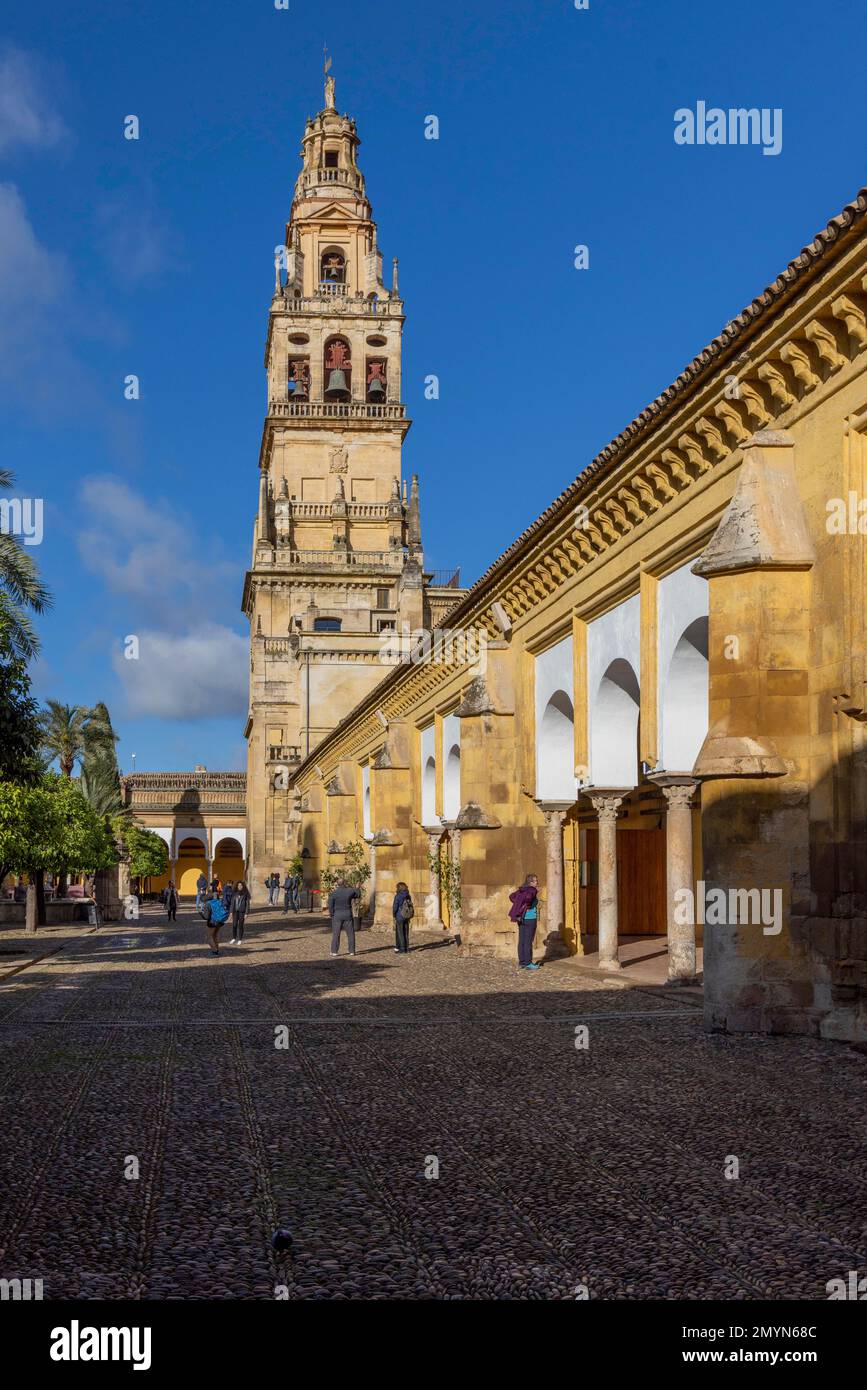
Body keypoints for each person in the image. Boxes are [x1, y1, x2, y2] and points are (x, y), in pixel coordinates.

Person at [509, 873, 540, 971]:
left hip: (521, 918)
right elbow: (529, 899)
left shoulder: (521, 889)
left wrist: (519, 903)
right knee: (528, 941)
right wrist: (527, 904)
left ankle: (522, 962)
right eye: (535, 881)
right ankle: (528, 963)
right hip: (530, 918)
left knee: (522, 940)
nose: (537, 882)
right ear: (530, 882)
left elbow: (511, 896)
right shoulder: (532, 890)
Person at [327, 878, 359, 957]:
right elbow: (357, 895)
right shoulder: (350, 891)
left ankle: (334, 951)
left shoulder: (334, 893)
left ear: (337, 884)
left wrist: (331, 914)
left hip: (337, 914)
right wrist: (357, 888)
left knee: (336, 934)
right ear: (344, 883)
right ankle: (352, 951)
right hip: (347, 913)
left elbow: (330, 905)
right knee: (350, 933)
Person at [203, 891, 228, 955]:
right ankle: (217, 948)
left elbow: (206, 916)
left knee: (208, 937)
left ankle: (214, 951)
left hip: (212, 922)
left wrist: (201, 913)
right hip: (220, 921)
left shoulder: (208, 904)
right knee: (215, 935)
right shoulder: (218, 901)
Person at [392, 881, 414, 954]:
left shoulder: (398, 896)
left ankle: (402, 948)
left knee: (400, 932)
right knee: (406, 932)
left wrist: (394, 914)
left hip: (399, 916)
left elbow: (395, 906)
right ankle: (407, 948)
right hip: (407, 916)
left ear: (399, 888)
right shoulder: (408, 895)